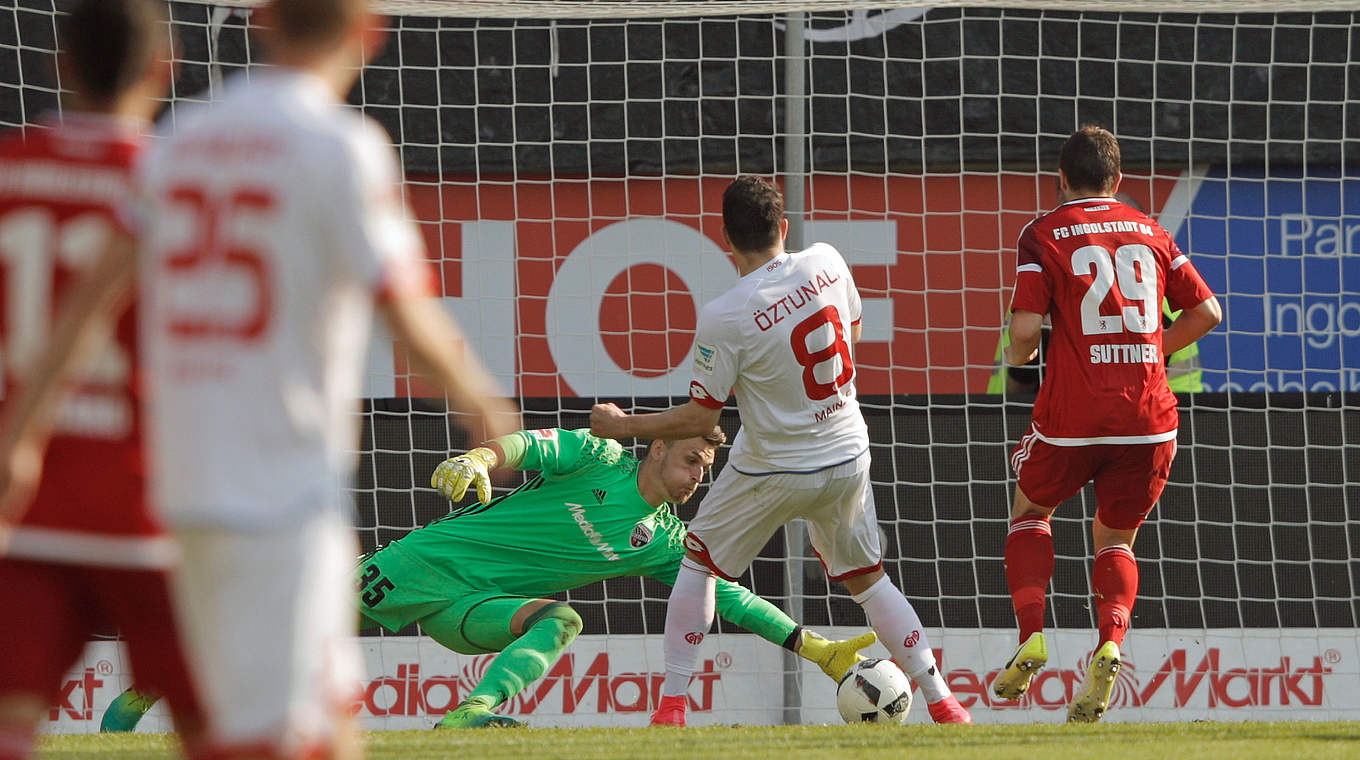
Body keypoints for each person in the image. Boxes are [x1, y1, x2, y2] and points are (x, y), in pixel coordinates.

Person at [0, 1, 519, 758]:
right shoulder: (339, 145)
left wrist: (24, 430)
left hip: (176, 487)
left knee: (322, 717)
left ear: (262, 21)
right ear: (369, 33)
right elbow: (406, 313)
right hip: (278, 492)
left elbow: (89, 300)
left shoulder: (181, 139)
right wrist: (478, 396)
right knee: (272, 734)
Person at [102, 427, 879, 730]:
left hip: (472, 607)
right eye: (689, 460)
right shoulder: (599, 460)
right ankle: (153, 683)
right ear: (656, 450)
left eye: (705, 470)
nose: (695, 477)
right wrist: (477, 460)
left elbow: (727, 595)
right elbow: (525, 445)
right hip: (423, 565)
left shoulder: (659, 539)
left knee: (560, 620)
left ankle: (466, 718)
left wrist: (818, 650)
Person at [590, 176, 972, 727]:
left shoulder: (725, 313)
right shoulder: (827, 260)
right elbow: (852, 334)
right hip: (846, 452)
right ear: (784, 226)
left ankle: (671, 709)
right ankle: (944, 702)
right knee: (868, 578)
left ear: (725, 237)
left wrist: (624, 425)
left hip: (774, 465)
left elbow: (701, 418)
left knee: (698, 563)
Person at [0, 3, 206, 758]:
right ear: (165, 67)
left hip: (25, 492)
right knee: (213, 723)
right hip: (146, 489)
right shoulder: (181, 186)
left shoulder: (9, 171)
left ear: (59, 65)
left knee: (11, 716)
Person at [990, 125, 1221, 723]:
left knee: (1030, 513)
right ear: (1118, 181)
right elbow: (1208, 311)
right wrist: (1154, 348)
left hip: (1073, 417)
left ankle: (1031, 637)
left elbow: (1021, 333)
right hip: (1148, 416)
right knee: (1115, 540)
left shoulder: (1042, 233)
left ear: (1061, 179)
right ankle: (1110, 644)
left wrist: (1022, 357)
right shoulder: (1152, 231)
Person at [986, 192, 1207, 395]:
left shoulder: (1042, 278)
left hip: (1047, 419)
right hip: (1156, 418)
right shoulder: (1167, 295)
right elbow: (1209, 313)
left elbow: (1020, 372)